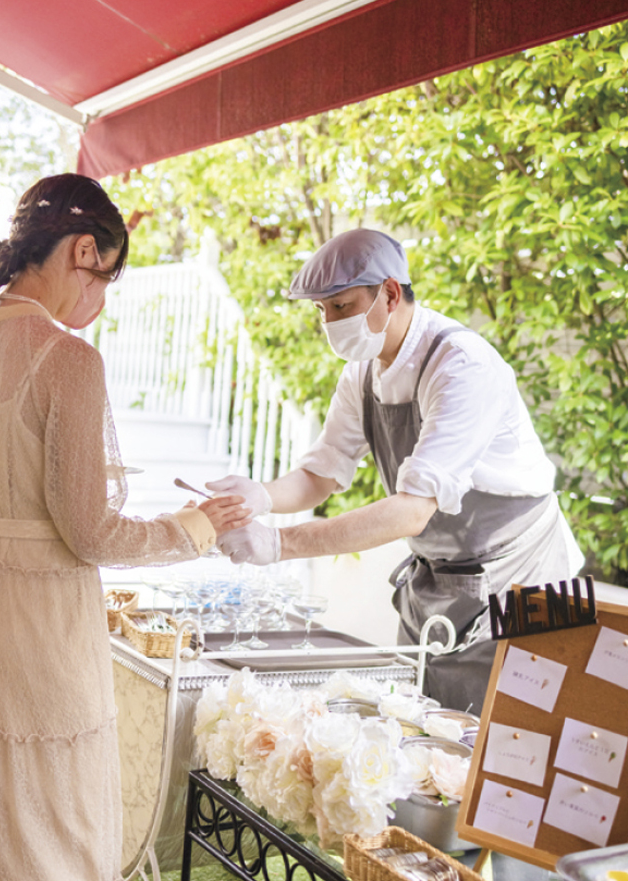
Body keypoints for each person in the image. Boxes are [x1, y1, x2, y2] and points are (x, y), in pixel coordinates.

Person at [0, 173, 248, 881]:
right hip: (40, 617)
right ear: (82, 249)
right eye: (106, 281)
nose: (99, 304)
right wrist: (195, 527)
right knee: (44, 823)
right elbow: (90, 532)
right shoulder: (67, 360)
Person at [209, 229, 583, 713]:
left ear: (389, 292)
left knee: (519, 744)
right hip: (443, 584)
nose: (330, 323)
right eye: (322, 311)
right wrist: (258, 495)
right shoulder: (362, 372)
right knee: (424, 734)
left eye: (341, 306)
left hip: (531, 582)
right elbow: (322, 474)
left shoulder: (462, 367)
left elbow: (411, 512)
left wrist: (281, 543)